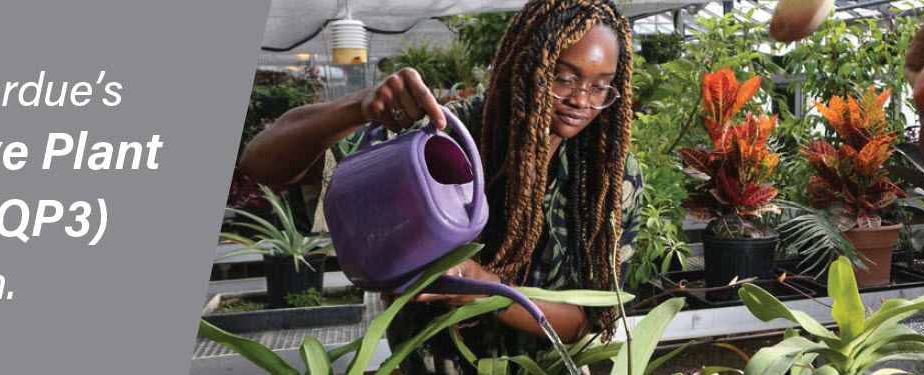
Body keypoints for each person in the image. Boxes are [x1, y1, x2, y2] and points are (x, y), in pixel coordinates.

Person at [238, 0, 644, 372]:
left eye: (599, 86)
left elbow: (587, 322)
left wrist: (486, 291)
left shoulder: (608, 176)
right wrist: (358, 107)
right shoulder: (445, 135)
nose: (582, 100)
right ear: (528, 64)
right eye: (564, 78)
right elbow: (262, 163)